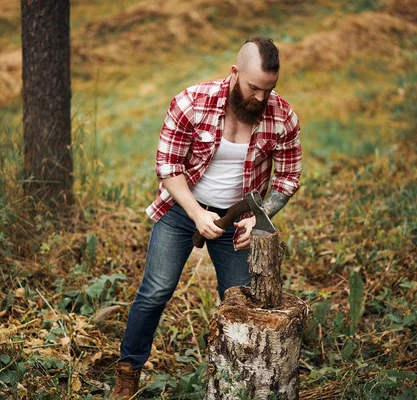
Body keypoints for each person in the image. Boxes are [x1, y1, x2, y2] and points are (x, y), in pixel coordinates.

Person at [110, 36, 302, 399]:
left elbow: (289, 176)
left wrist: (258, 219)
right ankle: (128, 370)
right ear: (234, 72)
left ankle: (235, 381)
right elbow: (167, 167)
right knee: (155, 291)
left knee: (240, 302)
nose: (261, 98)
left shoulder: (282, 116)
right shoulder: (191, 102)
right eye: (253, 87)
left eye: (269, 90)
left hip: (238, 221)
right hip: (183, 209)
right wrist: (197, 214)